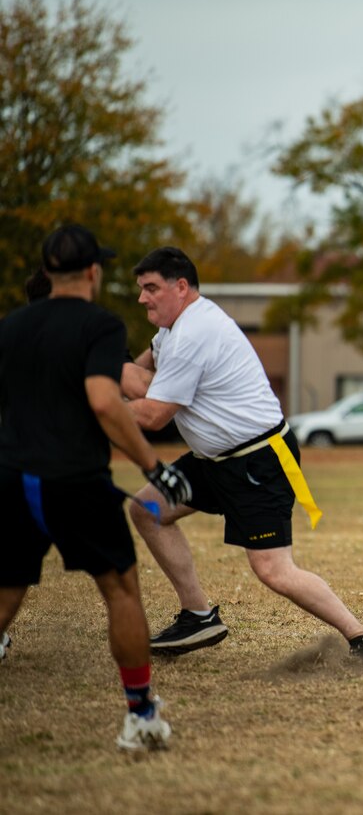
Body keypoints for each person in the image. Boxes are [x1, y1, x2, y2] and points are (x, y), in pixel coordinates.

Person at [121, 247, 363, 663]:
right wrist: (107, 374)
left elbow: (154, 413)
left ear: (180, 286)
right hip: (215, 459)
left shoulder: (196, 330)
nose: (143, 298)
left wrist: (99, 398)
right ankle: (197, 615)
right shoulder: (174, 328)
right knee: (148, 509)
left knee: (274, 571)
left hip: (258, 460)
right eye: (141, 289)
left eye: (150, 288)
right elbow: (145, 367)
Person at [0, 224, 191, 751]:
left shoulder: (11, 327)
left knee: (5, 597)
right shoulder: (99, 325)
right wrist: (154, 467)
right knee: (121, 592)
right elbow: (106, 402)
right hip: (74, 482)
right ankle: (142, 716)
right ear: (92, 271)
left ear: (46, 272)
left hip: (14, 479)